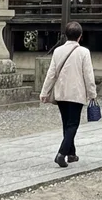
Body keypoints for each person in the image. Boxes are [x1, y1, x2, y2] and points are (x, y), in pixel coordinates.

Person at [39, 21, 97, 168]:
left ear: (65, 35)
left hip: (61, 92)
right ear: (80, 37)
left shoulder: (58, 51)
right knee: (73, 124)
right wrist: (92, 93)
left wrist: (44, 92)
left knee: (66, 123)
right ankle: (61, 153)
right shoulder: (84, 52)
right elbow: (88, 75)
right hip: (76, 93)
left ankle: (72, 154)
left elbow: (51, 73)